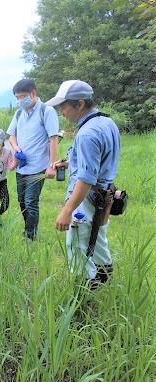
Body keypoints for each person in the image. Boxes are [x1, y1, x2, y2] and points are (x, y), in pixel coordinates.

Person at [46, 80, 120, 289]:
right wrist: (71, 162)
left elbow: (87, 178)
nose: (61, 112)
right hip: (105, 194)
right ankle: (104, 281)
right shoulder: (106, 122)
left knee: (77, 246)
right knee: (97, 240)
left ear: (79, 104)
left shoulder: (87, 133)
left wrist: (67, 210)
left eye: (64, 106)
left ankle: (83, 298)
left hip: (87, 198)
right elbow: (99, 160)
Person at [7, 78, 60, 241]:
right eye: (17, 97)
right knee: (22, 201)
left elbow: (53, 138)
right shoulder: (19, 113)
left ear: (33, 93)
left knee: (30, 201)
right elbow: (11, 135)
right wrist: (15, 147)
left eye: (22, 96)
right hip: (21, 166)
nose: (20, 100)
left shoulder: (47, 111)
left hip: (38, 167)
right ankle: (28, 229)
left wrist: (52, 165)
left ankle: (30, 236)